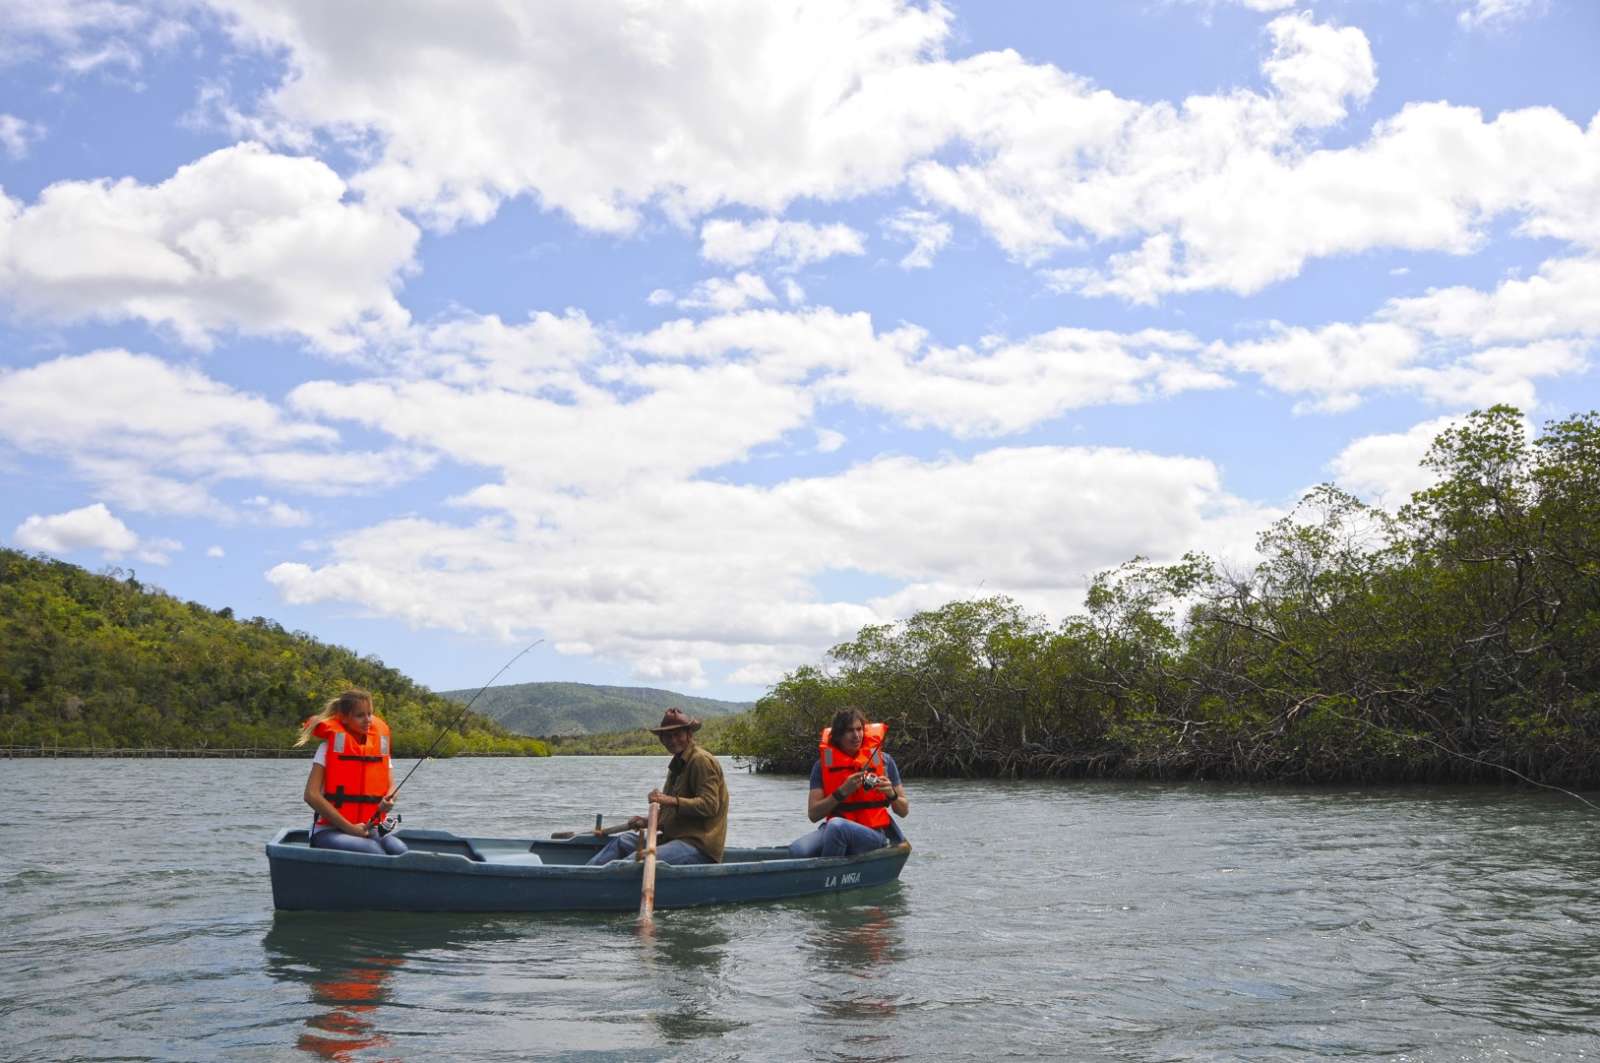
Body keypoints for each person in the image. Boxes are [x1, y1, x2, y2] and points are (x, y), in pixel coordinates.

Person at [586, 708, 729, 866]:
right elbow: (673, 812)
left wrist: (669, 800)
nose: (673, 740)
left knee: (632, 862)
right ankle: (583, 877)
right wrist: (646, 821)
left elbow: (709, 806)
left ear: (689, 735)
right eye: (668, 736)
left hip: (698, 846)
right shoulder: (677, 764)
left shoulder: (700, 760)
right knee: (623, 841)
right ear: (662, 740)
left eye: (678, 734)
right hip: (673, 839)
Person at [295, 689, 408, 856]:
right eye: (360, 715)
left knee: (399, 850)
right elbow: (311, 795)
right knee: (373, 851)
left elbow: (392, 786)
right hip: (329, 831)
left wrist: (389, 799)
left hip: (368, 828)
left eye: (370, 714)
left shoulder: (378, 748)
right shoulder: (327, 748)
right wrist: (350, 828)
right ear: (344, 718)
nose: (368, 720)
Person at [788, 708, 909, 859]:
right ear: (838, 736)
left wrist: (891, 794)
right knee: (798, 851)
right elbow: (814, 814)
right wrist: (842, 792)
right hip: (834, 828)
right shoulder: (821, 766)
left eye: (859, 729)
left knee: (837, 827)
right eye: (849, 731)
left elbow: (903, 811)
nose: (856, 735)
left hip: (874, 832)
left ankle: (828, 876)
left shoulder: (885, 761)